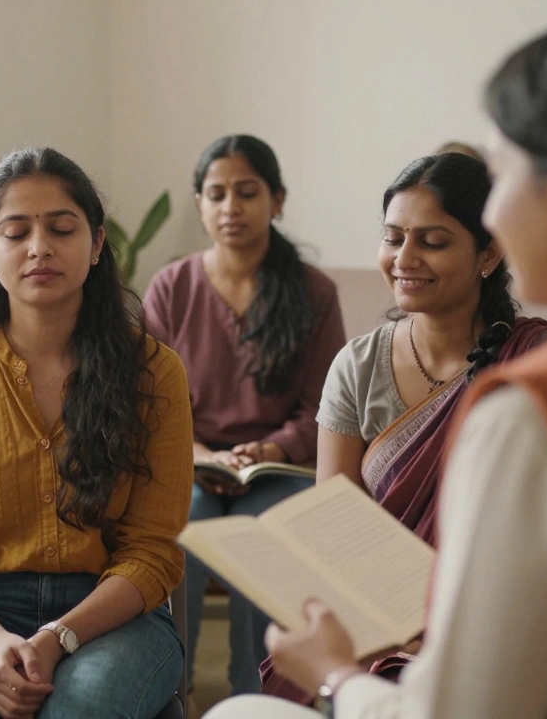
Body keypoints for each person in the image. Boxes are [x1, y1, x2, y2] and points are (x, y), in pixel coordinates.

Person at [213, 11, 547, 719]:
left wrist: (332, 675)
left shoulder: (543, 414)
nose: (499, 213)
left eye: (502, 172)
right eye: (393, 238)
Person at [0, 147, 191, 719]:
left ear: (98, 243)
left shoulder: (154, 372)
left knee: (79, 708)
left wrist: (59, 637)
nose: (39, 248)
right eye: (15, 232)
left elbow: (153, 553)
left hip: (111, 605)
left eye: (61, 228)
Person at [143, 134, 345, 695]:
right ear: (200, 205)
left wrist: (269, 450)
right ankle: (169, 691)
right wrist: (203, 455)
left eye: (247, 192)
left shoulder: (313, 291)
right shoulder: (171, 287)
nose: (231, 207)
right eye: (217, 194)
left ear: (276, 201)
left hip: (278, 469)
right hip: (191, 463)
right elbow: (154, 406)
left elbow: (323, 407)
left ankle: (256, 697)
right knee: (177, 537)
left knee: (269, 545)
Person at [314, 151, 547, 542]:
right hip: (375, 593)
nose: (404, 259)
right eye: (392, 238)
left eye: (432, 242)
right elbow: (331, 528)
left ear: (488, 253)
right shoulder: (357, 367)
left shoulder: (545, 362)